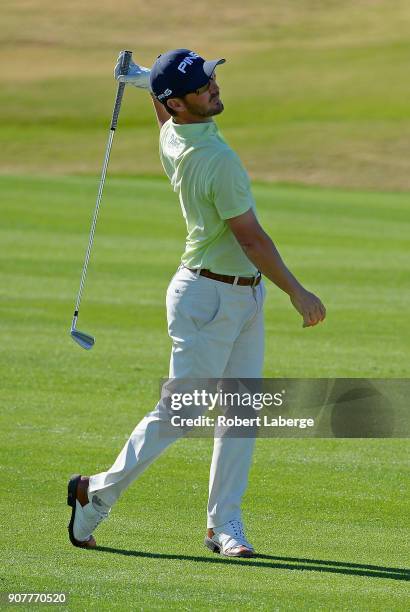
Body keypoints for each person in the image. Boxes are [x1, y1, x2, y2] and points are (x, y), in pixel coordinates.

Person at [67, 49, 326, 558]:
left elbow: (164, 111)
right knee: (180, 413)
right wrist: (298, 292)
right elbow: (252, 239)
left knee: (241, 412)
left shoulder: (176, 131)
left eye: (211, 78)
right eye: (202, 86)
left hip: (239, 295)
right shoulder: (215, 159)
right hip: (209, 298)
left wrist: (143, 79)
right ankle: (95, 491)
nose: (213, 87)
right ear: (180, 105)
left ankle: (224, 523)